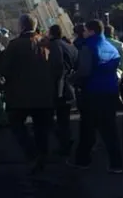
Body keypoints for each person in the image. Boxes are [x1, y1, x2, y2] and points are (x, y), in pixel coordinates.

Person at [0, 14, 55, 173]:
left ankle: (32, 153)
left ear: (22, 26)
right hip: (44, 94)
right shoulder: (46, 43)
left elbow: (5, 69)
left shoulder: (15, 44)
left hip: (20, 95)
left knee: (17, 125)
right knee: (41, 128)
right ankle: (42, 155)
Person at [69, 20, 123, 173]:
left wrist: (72, 80)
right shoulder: (111, 47)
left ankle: (82, 160)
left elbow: (84, 71)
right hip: (110, 92)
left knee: (87, 128)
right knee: (110, 129)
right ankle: (116, 163)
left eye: (85, 30)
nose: (84, 32)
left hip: (92, 93)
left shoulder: (89, 47)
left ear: (91, 31)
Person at [48, 24, 78, 156]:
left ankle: (64, 143)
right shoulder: (70, 46)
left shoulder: (55, 46)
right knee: (64, 118)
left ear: (51, 33)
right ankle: (66, 140)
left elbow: (58, 68)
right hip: (70, 86)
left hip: (59, 87)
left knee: (54, 118)